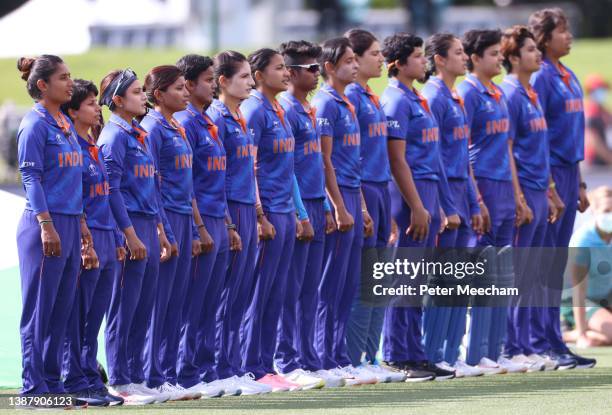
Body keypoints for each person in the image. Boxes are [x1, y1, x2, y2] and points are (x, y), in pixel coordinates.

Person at [174, 54, 258, 397]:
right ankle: (190, 370)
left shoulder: (211, 121)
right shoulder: (193, 122)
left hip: (224, 214)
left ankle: (220, 367)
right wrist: (200, 226)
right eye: (206, 80)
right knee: (198, 300)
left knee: (225, 298)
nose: (250, 83)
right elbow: (188, 181)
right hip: (203, 216)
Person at [240, 48, 321, 392]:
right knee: (258, 292)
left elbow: (288, 170)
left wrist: (301, 213)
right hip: (268, 211)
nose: (285, 73)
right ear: (259, 75)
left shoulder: (278, 109)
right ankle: (249, 366)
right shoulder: (255, 110)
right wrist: (259, 214)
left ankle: (266, 363)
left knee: (277, 290)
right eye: (278, 68)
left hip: (286, 210)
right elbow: (251, 168)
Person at [379, 32, 455, 382]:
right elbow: (398, 161)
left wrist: (435, 204)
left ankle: (415, 352)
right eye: (417, 56)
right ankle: (396, 354)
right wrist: (417, 206)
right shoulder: (394, 101)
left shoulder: (417, 98)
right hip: (408, 196)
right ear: (398, 64)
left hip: (427, 192)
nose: (423, 61)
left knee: (418, 281)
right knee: (403, 279)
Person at [16, 55, 91, 406]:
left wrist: (80, 224)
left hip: (69, 221)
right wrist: (47, 225)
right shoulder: (35, 124)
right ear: (43, 85)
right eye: (63, 78)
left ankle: (51, 383)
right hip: (44, 224)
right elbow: (31, 176)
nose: (70, 83)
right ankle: (33, 388)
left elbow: (72, 180)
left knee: (62, 308)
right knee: (39, 310)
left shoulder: (62, 122)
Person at [97, 68, 172, 404]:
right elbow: (110, 191)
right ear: (117, 100)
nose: (144, 97)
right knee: (123, 308)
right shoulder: (113, 137)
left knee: (143, 306)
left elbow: (151, 187)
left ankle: (137, 375)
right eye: (137, 92)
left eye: (143, 91)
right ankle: (120, 379)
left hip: (147, 225)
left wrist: (161, 230)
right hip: (128, 226)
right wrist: (128, 235)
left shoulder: (139, 135)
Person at [529, 7, 596, 369]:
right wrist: (552, 184)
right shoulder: (539, 77)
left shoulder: (569, 75)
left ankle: (554, 339)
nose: (568, 36)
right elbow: (539, 137)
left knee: (555, 262)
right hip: (549, 173)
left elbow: (573, 135)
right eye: (562, 30)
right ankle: (538, 340)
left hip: (570, 172)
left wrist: (581, 182)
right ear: (544, 37)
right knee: (541, 262)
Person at [275, 40, 345, 387]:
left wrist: (329, 206)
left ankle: (307, 356)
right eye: (311, 69)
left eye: (319, 68)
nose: (317, 74)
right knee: (291, 287)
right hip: (296, 207)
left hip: (316, 204)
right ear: (290, 72)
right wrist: (301, 212)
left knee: (310, 288)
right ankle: (287, 359)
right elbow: (283, 169)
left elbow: (318, 161)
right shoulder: (285, 108)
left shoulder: (307, 108)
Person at [312, 37, 378, 386]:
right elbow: (324, 162)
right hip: (339, 200)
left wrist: (362, 206)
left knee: (348, 284)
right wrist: (337, 206)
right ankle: (325, 357)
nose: (355, 65)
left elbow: (354, 162)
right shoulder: (325, 105)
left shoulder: (346, 102)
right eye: (348, 60)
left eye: (356, 59)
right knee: (330, 284)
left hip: (354, 195)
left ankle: (340, 356)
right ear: (329, 67)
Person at [420, 33, 484, 378]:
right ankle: (430, 350)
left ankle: (448, 350)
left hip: (460, 191)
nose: (465, 58)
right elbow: (437, 160)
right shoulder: (433, 96)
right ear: (439, 59)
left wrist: (474, 202)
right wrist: (446, 206)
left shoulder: (454, 95)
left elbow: (462, 157)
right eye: (458, 53)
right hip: (444, 195)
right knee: (440, 278)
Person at [343, 29, 405, 383]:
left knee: (380, 279)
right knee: (363, 279)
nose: (381, 59)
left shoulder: (370, 95)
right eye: (374, 54)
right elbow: (350, 158)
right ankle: (353, 358)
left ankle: (369, 355)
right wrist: (364, 203)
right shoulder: (350, 97)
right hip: (363, 189)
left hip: (381, 191)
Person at [61, 79, 126, 406]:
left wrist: (114, 236)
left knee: (94, 317)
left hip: (105, 235)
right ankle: (74, 379)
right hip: (86, 237)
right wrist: (86, 241)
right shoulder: (71, 146)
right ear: (72, 111)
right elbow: (77, 198)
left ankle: (90, 378)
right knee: (78, 315)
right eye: (88, 105)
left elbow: (104, 197)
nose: (96, 110)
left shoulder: (92, 145)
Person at [139, 65, 200, 400]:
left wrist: (196, 223)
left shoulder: (176, 125)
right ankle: (151, 374)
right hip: (164, 219)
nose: (186, 92)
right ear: (159, 94)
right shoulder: (153, 128)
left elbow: (185, 182)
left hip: (183, 217)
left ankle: (167, 372)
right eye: (178, 88)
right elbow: (152, 184)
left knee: (177, 301)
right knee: (159, 302)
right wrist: (162, 229)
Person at [499, 25, 558, 372]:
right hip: (520, 191)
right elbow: (508, 150)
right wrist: (518, 196)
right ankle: (510, 345)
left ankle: (524, 343)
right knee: (515, 271)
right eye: (531, 50)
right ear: (513, 57)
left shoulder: (531, 92)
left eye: (538, 49)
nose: (538, 55)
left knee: (531, 271)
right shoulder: (509, 94)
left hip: (539, 189)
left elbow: (539, 148)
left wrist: (549, 191)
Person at [207, 51, 258, 396]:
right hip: (228, 210)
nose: (251, 83)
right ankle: (218, 367)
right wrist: (227, 222)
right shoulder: (218, 118)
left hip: (246, 207)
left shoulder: (239, 116)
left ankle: (233, 365)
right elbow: (216, 177)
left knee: (240, 293)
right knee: (222, 296)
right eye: (244, 77)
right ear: (222, 81)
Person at [563, 186, 612, 347]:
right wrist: (583, 336)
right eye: (606, 211)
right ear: (594, 211)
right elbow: (579, 291)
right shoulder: (583, 240)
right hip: (577, 301)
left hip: (605, 297)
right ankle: (572, 332)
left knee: (605, 339)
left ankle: (584, 332)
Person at [583, 74, 612, 166]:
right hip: (596, 162)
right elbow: (593, 140)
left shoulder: (603, 110)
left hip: (605, 160)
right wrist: (609, 158)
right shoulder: (590, 111)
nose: (602, 92)